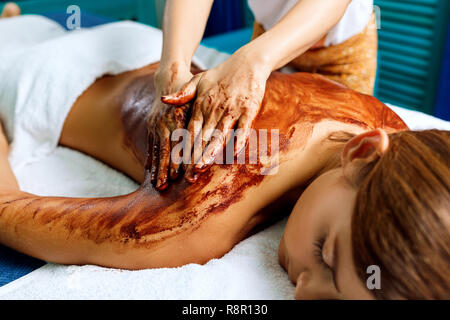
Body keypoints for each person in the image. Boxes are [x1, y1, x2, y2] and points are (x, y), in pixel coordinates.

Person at [0, 10, 448, 300]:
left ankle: (19, 18)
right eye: (325, 255)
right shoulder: (210, 205)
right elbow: (8, 209)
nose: (304, 293)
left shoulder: (393, 135)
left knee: (27, 28)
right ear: (363, 154)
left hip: (132, 42)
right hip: (45, 81)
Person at [149, 0, 376, 190]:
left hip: (345, 47)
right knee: (261, 143)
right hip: (269, 32)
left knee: (338, 153)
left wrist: (253, 62)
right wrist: (172, 66)